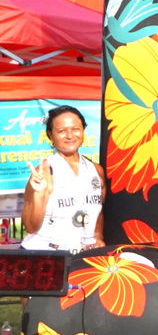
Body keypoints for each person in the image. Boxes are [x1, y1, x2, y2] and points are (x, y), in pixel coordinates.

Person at [21, 106, 105, 253]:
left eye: (76, 129)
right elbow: (30, 227)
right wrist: (38, 195)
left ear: (83, 130)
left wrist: (98, 235)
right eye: (61, 131)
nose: (70, 135)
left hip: (82, 256)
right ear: (50, 135)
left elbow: (98, 211)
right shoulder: (45, 171)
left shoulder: (96, 170)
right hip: (47, 257)